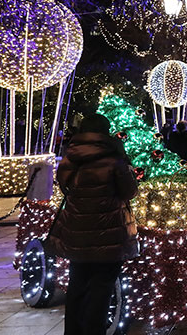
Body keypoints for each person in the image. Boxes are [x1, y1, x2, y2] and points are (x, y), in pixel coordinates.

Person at [46, 113, 138, 335]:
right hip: (109, 236)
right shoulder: (114, 160)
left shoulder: (70, 157)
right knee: (101, 290)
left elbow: (64, 186)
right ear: (105, 132)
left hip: (77, 233)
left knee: (77, 286)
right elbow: (129, 191)